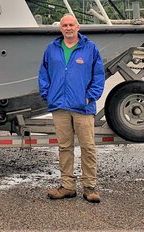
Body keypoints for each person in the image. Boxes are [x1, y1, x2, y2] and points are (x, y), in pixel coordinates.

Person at [38, 14, 105, 203]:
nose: (68, 28)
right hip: (59, 106)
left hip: (82, 107)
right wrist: (47, 94)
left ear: (78, 27)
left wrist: (90, 96)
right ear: (61, 29)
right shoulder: (52, 49)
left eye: (71, 25)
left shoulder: (90, 48)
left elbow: (99, 75)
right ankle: (67, 186)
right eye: (64, 25)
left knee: (88, 146)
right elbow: (43, 73)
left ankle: (89, 187)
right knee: (64, 146)